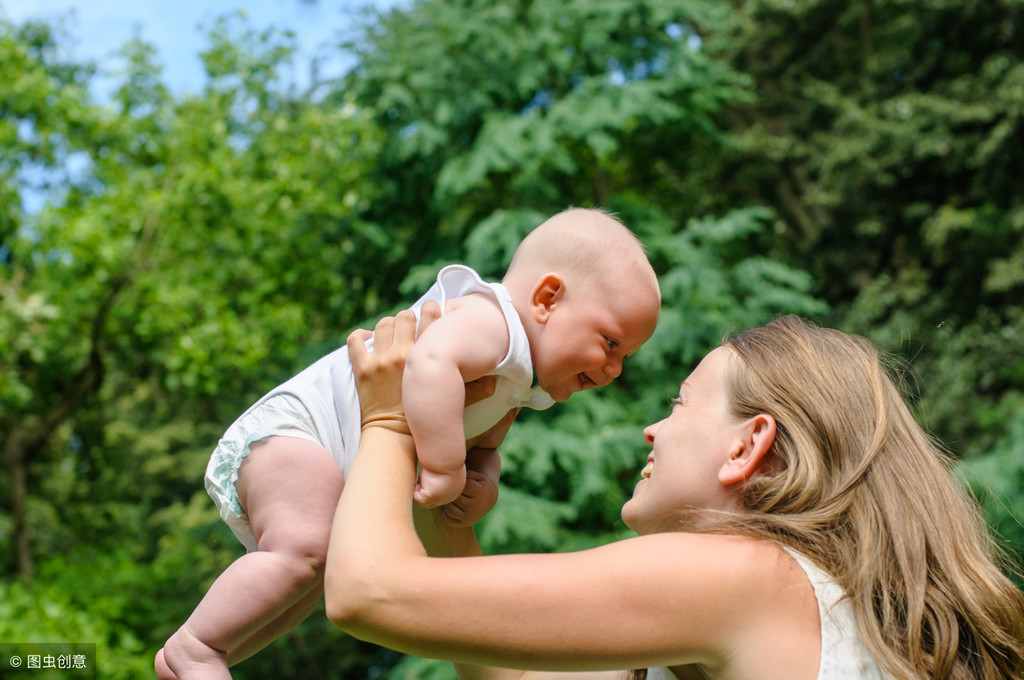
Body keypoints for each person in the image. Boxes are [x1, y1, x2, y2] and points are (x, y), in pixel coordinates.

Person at [326, 309, 1024, 680]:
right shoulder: (798, 599)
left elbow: (368, 593)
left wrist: (387, 415)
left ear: (747, 445)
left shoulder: (746, 577)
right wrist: (451, 518)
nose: (651, 428)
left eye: (680, 403)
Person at [154, 208, 662, 679]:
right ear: (547, 299)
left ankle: (207, 654)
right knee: (305, 550)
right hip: (298, 431)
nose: (613, 369)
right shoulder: (496, 324)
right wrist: (444, 468)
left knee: (306, 579)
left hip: (324, 455)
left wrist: (481, 479)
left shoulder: (524, 382)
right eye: (611, 343)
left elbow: (482, 447)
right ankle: (198, 646)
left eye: (626, 358)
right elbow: (429, 364)